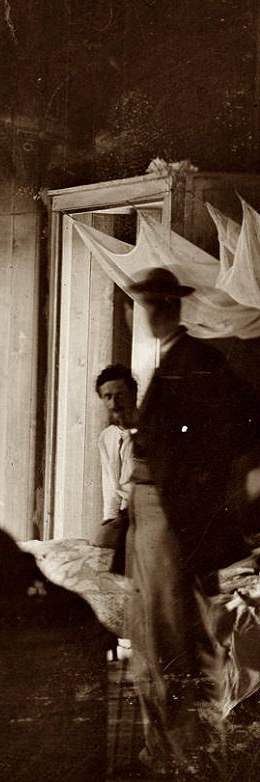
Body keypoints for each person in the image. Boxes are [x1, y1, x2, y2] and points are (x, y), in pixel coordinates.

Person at [126, 267, 260, 778]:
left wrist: (209, 495)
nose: (155, 312)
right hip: (153, 510)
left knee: (174, 640)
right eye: (149, 304)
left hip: (172, 514)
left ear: (175, 307)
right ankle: (163, 752)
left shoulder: (198, 360)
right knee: (153, 636)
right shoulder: (168, 362)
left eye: (162, 304)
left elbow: (245, 420)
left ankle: (186, 760)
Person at [95, 363, 137, 573]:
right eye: (107, 397)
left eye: (120, 395)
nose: (114, 403)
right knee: (102, 539)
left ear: (133, 394)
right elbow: (110, 488)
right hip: (125, 514)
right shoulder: (107, 437)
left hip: (149, 511)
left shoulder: (147, 431)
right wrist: (110, 521)